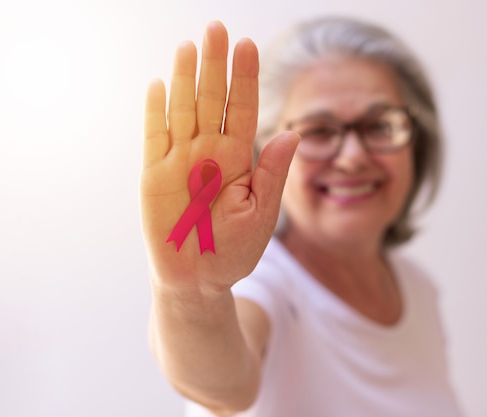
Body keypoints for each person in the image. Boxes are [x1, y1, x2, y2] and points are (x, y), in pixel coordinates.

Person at [140, 16, 463, 417]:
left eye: (380, 125)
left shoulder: (418, 287)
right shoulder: (262, 283)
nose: (352, 158)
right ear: (262, 153)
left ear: (418, 142)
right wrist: (194, 295)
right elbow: (222, 388)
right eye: (318, 131)